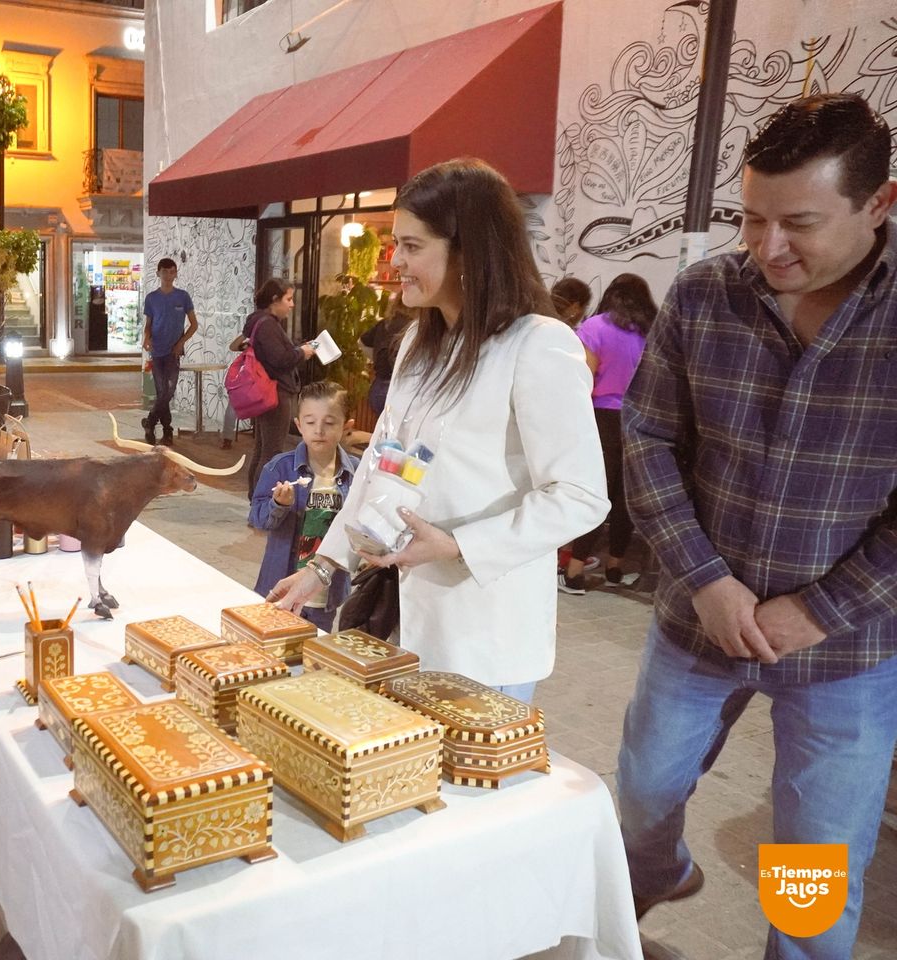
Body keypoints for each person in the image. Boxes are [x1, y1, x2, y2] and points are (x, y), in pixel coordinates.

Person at [616, 93, 897, 959]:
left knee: (810, 863)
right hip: (697, 624)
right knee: (640, 798)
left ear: (880, 205)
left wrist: (817, 610)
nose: (768, 248)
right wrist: (705, 581)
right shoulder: (706, 295)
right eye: (752, 218)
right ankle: (659, 873)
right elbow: (648, 438)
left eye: (800, 224)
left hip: (842, 651)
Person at [268, 158, 608, 702]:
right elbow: (381, 467)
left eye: (413, 246)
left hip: (482, 632)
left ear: (469, 250)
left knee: (462, 781)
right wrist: (325, 565)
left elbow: (580, 496)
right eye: (397, 243)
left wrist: (457, 545)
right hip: (399, 619)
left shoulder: (537, 345)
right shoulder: (416, 346)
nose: (396, 261)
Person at [559, 272, 656, 594]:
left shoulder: (595, 327)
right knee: (625, 497)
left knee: (595, 494)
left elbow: (582, 380)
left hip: (600, 418)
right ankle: (615, 567)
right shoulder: (650, 330)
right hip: (639, 419)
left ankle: (575, 573)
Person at [249, 380, 359, 631]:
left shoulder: (357, 473)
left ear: (346, 427)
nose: (318, 430)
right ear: (298, 424)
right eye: (310, 422)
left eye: (329, 423)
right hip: (282, 586)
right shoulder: (280, 467)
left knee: (312, 654)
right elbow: (257, 517)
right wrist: (278, 504)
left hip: (325, 593)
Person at [243, 278, 318, 498]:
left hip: (266, 392)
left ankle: (254, 497)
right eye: (288, 299)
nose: (292, 304)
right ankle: (262, 500)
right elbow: (280, 358)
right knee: (271, 451)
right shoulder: (267, 324)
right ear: (275, 300)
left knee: (262, 448)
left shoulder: (259, 321)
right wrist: (301, 352)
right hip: (275, 393)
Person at [141, 257, 198, 446]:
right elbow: (148, 325)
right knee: (162, 391)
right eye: (164, 272)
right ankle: (166, 430)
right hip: (157, 352)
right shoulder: (151, 298)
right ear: (158, 274)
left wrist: (181, 342)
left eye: (172, 271)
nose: (168, 275)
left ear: (176, 274)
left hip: (174, 353)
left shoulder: (183, 297)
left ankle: (150, 423)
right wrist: (146, 338)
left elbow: (194, 324)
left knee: (168, 391)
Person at [359, 298, 416, 417]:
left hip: (378, 387)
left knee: (384, 430)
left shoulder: (385, 323)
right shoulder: (416, 326)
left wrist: (376, 358)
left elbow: (361, 342)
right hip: (400, 387)